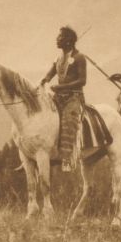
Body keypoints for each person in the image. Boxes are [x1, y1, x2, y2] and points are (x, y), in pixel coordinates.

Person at [39, 26, 87, 173]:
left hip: (74, 97)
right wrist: (44, 80)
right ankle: (36, 152)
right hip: (58, 96)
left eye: (60, 37)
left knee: (67, 120)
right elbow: (51, 73)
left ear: (68, 41)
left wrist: (61, 87)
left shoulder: (79, 58)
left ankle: (67, 158)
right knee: (43, 115)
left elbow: (82, 81)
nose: (57, 39)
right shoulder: (59, 58)